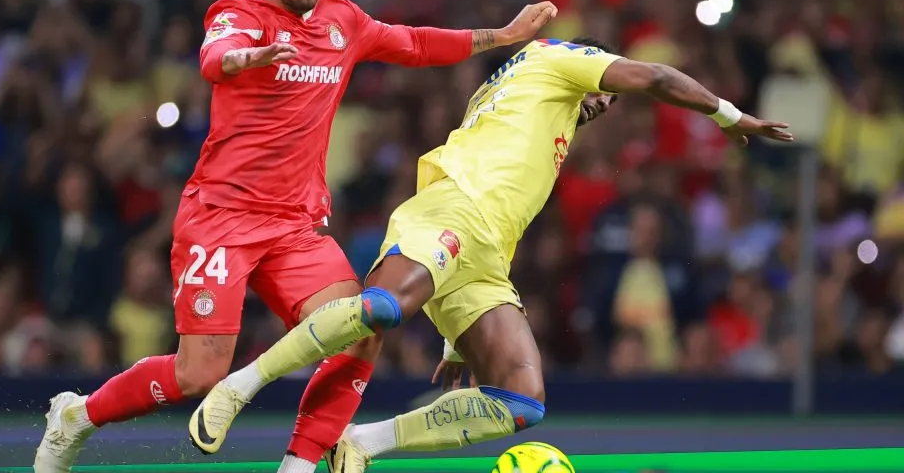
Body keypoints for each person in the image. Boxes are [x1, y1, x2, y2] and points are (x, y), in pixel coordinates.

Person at [34, 0, 557, 473]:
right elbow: (215, 58)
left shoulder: (342, 19)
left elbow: (414, 42)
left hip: (294, 227)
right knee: (199, 373)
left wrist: (499, 36)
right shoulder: (238, 15)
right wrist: (246, 58)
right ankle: (78, 416)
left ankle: (300, 465)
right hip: (221, 218)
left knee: (361, 329)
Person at [194, 36, 794, 471]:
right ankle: (239, 387)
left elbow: (499, 177)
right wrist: (730, 117)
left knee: (520, 398)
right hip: (452, 212)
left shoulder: (518, 102)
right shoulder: (557, 57)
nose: (603, 106)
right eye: (604, 95)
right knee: (381, 309)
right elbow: (660, 77)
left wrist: (458, 340)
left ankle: (362, 443)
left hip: (484, 254)